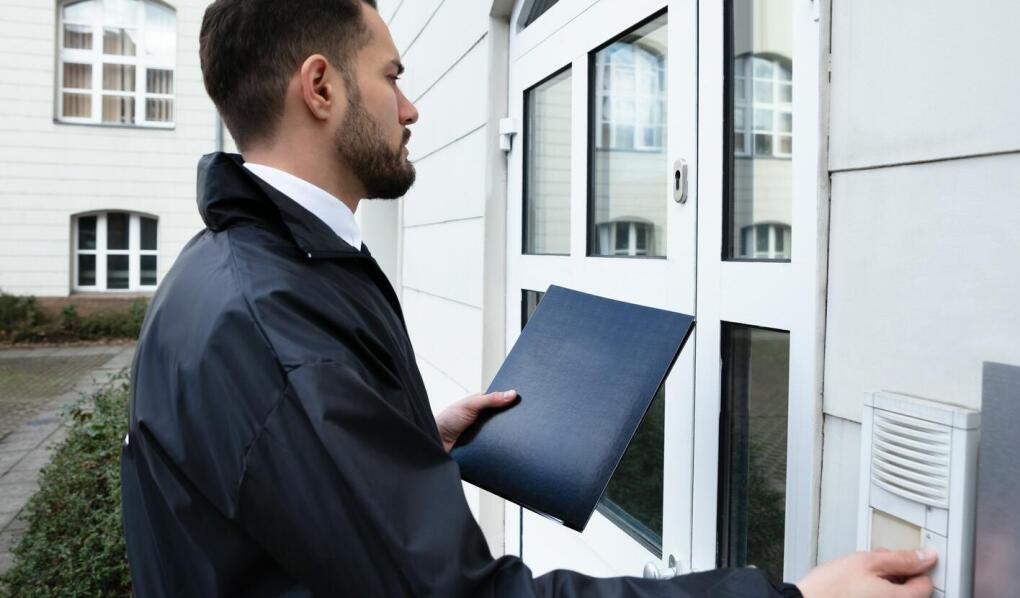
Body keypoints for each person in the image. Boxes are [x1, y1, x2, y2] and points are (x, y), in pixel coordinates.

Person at [119, 0, 937, 595]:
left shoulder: (238, 266)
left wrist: (404, 438)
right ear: (321, 88)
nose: (411, 108)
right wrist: (791, 597)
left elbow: (282, 488)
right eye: (392, 76)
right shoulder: (274, 318)